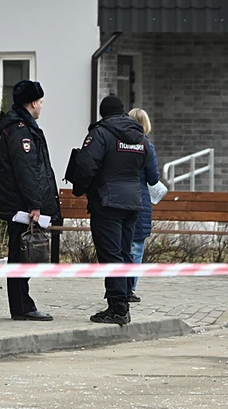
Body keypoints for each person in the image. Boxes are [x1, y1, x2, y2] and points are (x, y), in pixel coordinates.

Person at [68, 95, 148, 325]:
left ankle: (118, 308)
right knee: (123, 253)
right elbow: (145, 163)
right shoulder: (139, 136)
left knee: (111, 255)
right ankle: (122, 302)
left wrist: (81, 189)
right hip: (133, 202)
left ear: (103, 113)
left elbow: (86, 165)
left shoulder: (100, 133)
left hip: (108, 201)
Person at [0, 80, 61, 321]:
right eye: (40, 102)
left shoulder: (20, 127)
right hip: (21, 206)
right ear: (33, 103)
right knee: (21, 254)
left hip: (19, 203)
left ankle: (22, 305)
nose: (42, 106)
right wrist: (35, 204)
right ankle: (22, 307)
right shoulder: (21, 130)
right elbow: (27, 170)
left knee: (21, 254)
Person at [127, 108, 161, 303]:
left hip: (118, 200)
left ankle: (119, 286)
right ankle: (130, 288)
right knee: (137, 246)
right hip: (140, 200)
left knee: (122, 245)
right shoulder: (146, 146)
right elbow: (153, 178)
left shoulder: (117, 143)